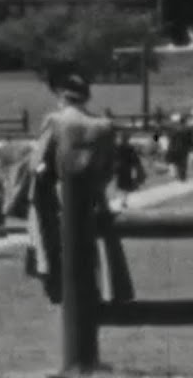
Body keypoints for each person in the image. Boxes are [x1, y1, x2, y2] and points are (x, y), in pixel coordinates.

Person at [24, 70, 133, 305]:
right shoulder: (104, 125)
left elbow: (36, 163)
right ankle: (104, 292)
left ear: (62, 96)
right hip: (94, 196)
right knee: (98, 249)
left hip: (62, 198)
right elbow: (109, 168)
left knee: (60, 252)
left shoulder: (55, 121)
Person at [113, 132, 146, 209]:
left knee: (120, 185)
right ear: (127, 139)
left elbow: (114, 157)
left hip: (119, 168)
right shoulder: (129, 148)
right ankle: (123, 201)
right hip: (126, 168)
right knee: (125, 186)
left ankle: (122, 200)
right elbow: (134, 159)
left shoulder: (117, 147)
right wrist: (137, 167)